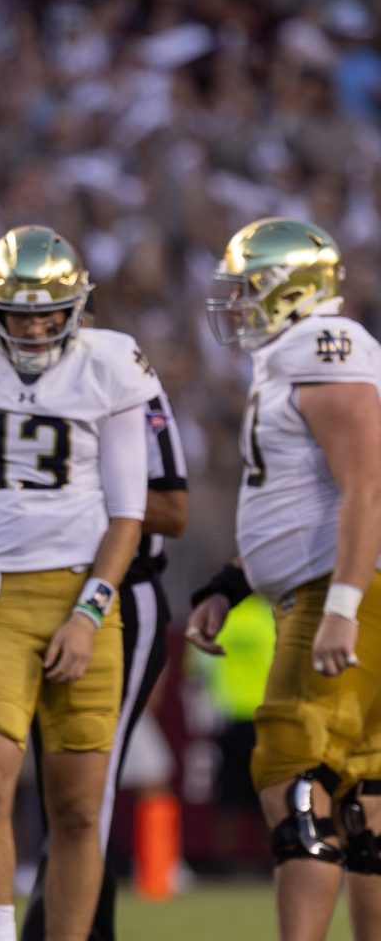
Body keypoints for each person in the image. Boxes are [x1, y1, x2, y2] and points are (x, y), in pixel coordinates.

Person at [0, 226, 160, 941]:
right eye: (18, 312)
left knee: (81, 809)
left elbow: (129, 513)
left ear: (76, 305)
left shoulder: (110, 362)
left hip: (83, 597)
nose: (33, 326)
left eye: (48, 312)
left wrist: (89, 614)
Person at [186, 217, 381, 941]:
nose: (235, 305)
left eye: (249, 289)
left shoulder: (325, 345)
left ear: (291, 289)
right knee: (364, 795)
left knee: (292, 773)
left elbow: (367, 486)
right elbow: (300, 501)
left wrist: (343, 607)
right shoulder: (291, 356)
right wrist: (231, 583)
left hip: (339, 591)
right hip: (329, 585)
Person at [22, 377, 188, 940]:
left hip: (120, 594)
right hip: (26, 595)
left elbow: (171, 508)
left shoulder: (124, 381)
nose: (31, 330)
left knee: (86, 797)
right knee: (48, 792)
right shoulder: (5, 381)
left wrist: (77, 495)